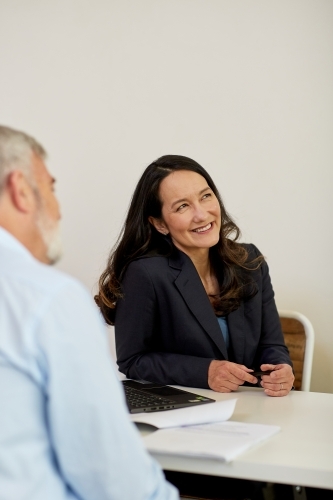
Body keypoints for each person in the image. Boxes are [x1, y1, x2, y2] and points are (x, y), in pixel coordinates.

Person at [0, 126, 178, 500]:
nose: (59, 209)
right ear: (20, 190)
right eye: (51, 188)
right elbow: (112, 478)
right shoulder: (48, 298)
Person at [96, 155, 295, 397]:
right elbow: (133, 360)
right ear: (159, 223)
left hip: (250, 408)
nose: (201, 214)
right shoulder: (145, 274)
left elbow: (271, 344)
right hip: (184, 411)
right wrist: (205, 372)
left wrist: (280, 368)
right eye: (182, 206)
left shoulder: (249, 261)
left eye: (205, 196)